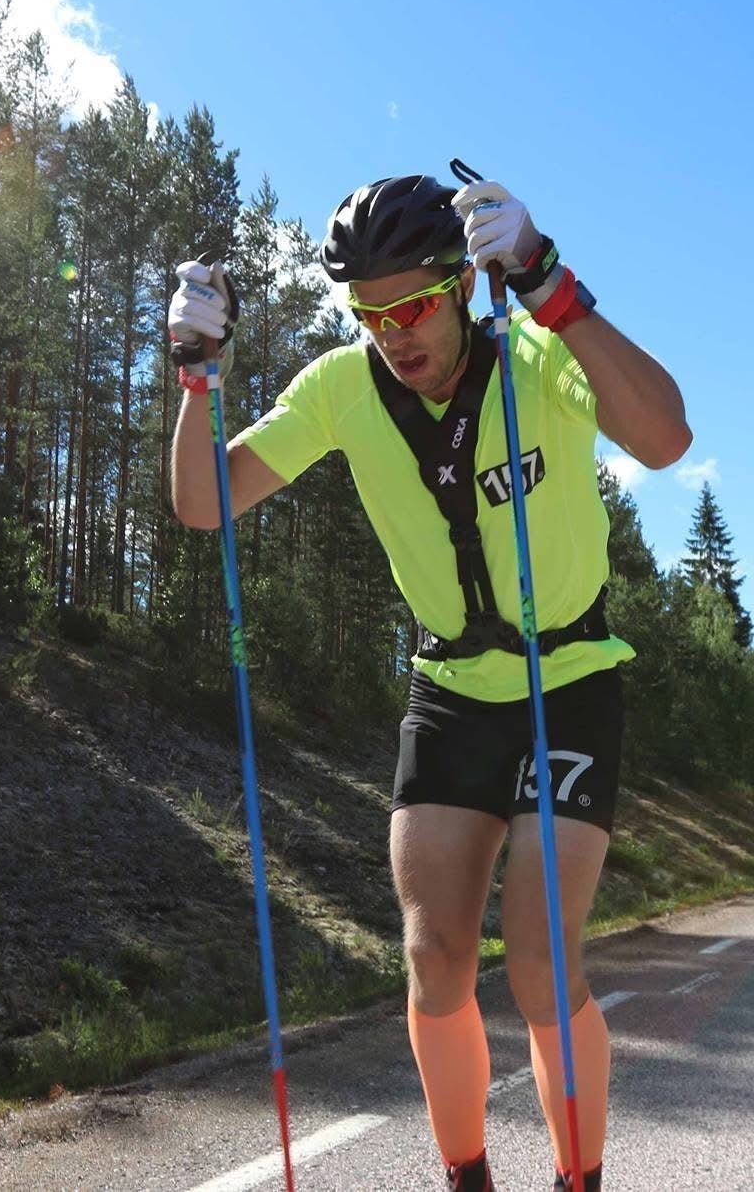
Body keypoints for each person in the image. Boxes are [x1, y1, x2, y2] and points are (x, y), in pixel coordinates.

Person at [168, 172, 691, 1192]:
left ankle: (578, 1179)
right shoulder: (340, 387)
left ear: (458, 286)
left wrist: (547, 281)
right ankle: (466, 1176)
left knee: (538, 959)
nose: (392, 335)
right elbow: (203, 504)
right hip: (451, 689)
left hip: (567, 680)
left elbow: (666, 439)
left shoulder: (538, 352)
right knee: (434, 955)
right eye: (368, 315)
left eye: (409, 308)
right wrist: (194, 374)